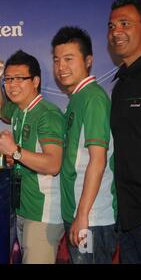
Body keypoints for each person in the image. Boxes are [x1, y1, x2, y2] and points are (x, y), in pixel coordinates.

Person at [0, 50, 64, 264]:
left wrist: (15, 151)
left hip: (42, 214)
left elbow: (53, 164)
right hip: (23, 208)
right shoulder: (19, 111)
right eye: (8, 79)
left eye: (19, 79)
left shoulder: (47, 114)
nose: (12, 85)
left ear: (36, 81)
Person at [52, 26, 117, 264]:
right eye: (57, 59)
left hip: (92, 218)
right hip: (80, 215)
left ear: (88, 60)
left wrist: (82, 215)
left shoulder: (93, 98)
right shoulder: (77, 98)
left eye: (69, 59)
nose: (61, 67)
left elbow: (98, 161)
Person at [108, 0, 141, 263]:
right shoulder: (120, 84)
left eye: (125, 23)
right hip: (128, 220)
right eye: (111, 25)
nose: (116, 31)